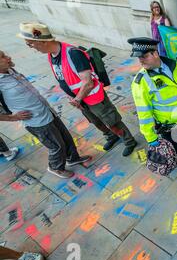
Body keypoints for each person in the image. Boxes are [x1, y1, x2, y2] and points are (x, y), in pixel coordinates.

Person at [18, 23, 138, 157]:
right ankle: (111, 137)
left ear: (42, 41)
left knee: (111, 121)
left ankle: (129, 141)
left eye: (30, 44)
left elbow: (88, 82)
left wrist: (77, 99)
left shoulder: (73, 54)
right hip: (80, 100)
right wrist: (72, 97)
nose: (30, 47)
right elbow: (64, 79)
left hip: (93, 97)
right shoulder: (51, 54)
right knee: (95, 121)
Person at [0, 50, 90, 178]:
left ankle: (72, 158)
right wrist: (12, 117)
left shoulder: (10, 71)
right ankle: (55, 167)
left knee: (66, 138)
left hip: (45, 110)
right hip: (36, 121)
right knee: (56, 146)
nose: (8, 57)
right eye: (2, 57)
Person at [127, 37, 177, 186]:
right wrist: (151, 138)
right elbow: (144, 112)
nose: (141, 61)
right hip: (169, 126)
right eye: (138, 57)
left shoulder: (176, 66)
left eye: (144, 56)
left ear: (155, 53)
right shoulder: (141, 81)